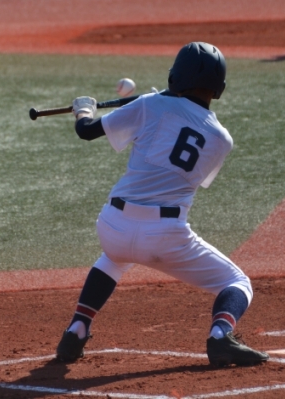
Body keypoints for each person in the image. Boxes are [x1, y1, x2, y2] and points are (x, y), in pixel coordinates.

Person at [56, 42, 269, 367]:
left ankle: (77, 329)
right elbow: (182, 144)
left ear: (176, 75)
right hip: (165, 237)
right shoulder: (221, 139)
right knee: (237, 283)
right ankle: (220, 336)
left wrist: (84, 109)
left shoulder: (149, 105)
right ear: (219, 88)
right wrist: (157, 105)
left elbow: (86, 131)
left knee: (114, 258)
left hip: (113, 226)